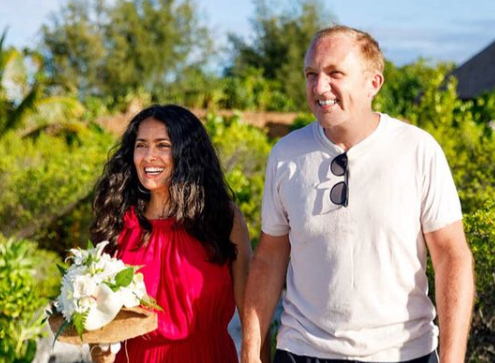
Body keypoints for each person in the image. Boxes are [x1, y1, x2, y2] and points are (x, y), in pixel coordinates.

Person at [241, 25, 474, 363]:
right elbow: (269, 256)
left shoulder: (417, 150)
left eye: (335, 73)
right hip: (301, 352)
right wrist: (250, 349)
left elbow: (452, 257)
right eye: (311, 74)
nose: (320, 87)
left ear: (373, 83)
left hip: (403, 354)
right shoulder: (286, 154)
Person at [88, 104, 253, 363]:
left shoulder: (223, 218)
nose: (149, 156)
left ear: (186, 152)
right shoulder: (118, 223)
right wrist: (102, 351)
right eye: (141, 145)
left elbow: (250, 310)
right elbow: (100, 327)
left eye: (162, 145)